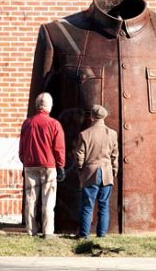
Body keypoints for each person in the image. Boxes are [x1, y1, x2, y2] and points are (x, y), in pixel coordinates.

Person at [19, 92, 66, 239]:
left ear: (37, 105)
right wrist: (61, 166)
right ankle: (47, 231)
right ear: (49, 106)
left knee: (30, 199)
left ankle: (30, 229)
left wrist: (24, 162)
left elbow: (22, 147)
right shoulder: (54, 124)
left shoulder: (27, 123)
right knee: (48, 199)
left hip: (30, 165)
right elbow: (59, 148)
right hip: (48, 165)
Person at [76, 104, 118, 239]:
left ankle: (84, 235)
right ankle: (102, 235)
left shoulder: (85, 134)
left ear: (92, 116)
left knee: (88, 206)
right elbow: (114, 156)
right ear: (104, 117)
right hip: (106, 173)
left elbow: (79, 156)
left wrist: (81, 171)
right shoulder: (112, 134)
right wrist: (114, 171)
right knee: (104, 206)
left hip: (90, 173)